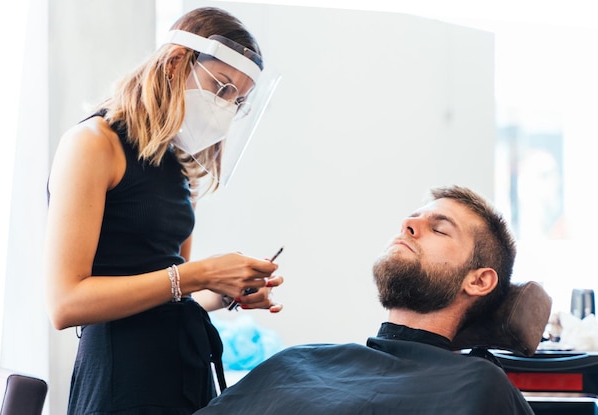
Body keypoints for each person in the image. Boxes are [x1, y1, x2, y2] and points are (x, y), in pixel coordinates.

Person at [44, 7, 284, 415]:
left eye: (238, 101)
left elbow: (171, 294)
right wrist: (200, 273)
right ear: (175, 63)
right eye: (222, 88)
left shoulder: (179, 167)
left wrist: (225, 290)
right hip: (121, 380)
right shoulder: (93, 144)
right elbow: (66, 304)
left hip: (182, 373)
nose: (226, 107)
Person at [196, 185, 534, 415]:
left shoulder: (480, 387)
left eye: (440, 229)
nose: (409, 224)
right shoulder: (298, 362)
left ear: (478, 280)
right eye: (412, 218)